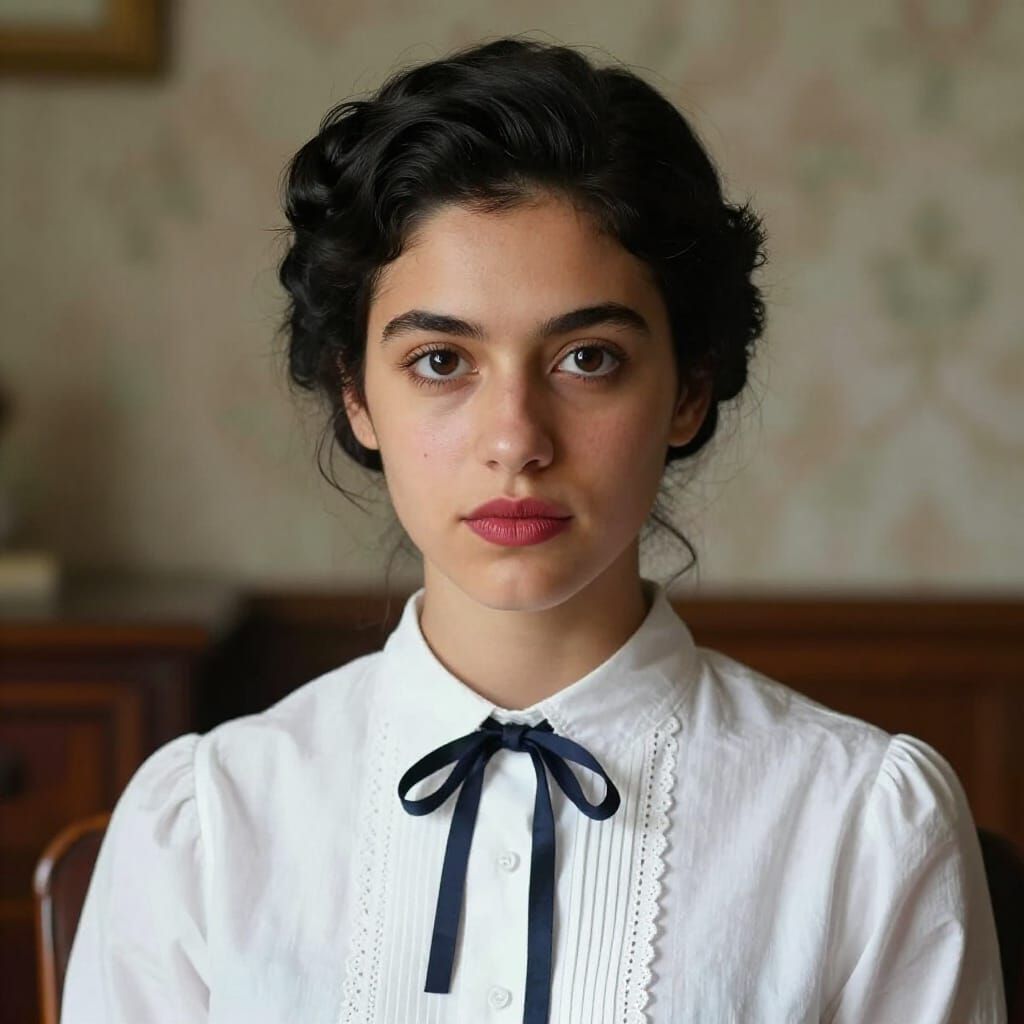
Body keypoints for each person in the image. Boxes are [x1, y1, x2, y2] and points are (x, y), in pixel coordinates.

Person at [61, 35, 1007, 1023]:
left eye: (587, 358)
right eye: (440, 361)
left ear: (687, 391)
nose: (514, 439)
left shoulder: (859, 825)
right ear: (356, 396)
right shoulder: (210, 825)